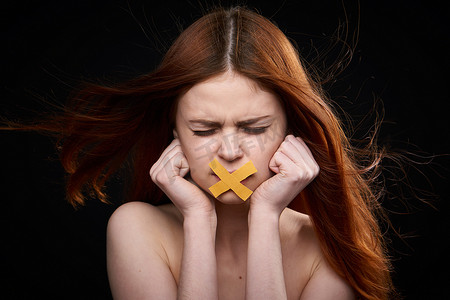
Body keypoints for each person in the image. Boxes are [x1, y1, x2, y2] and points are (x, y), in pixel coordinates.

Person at [6, 6, 394, 299]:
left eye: (254, 129)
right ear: (175, 131)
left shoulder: (331, 246)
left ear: (290, 131)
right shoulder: (137, 228)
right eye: (205, 130)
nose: (228, 152)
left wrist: (264, 216)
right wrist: (197, 218)